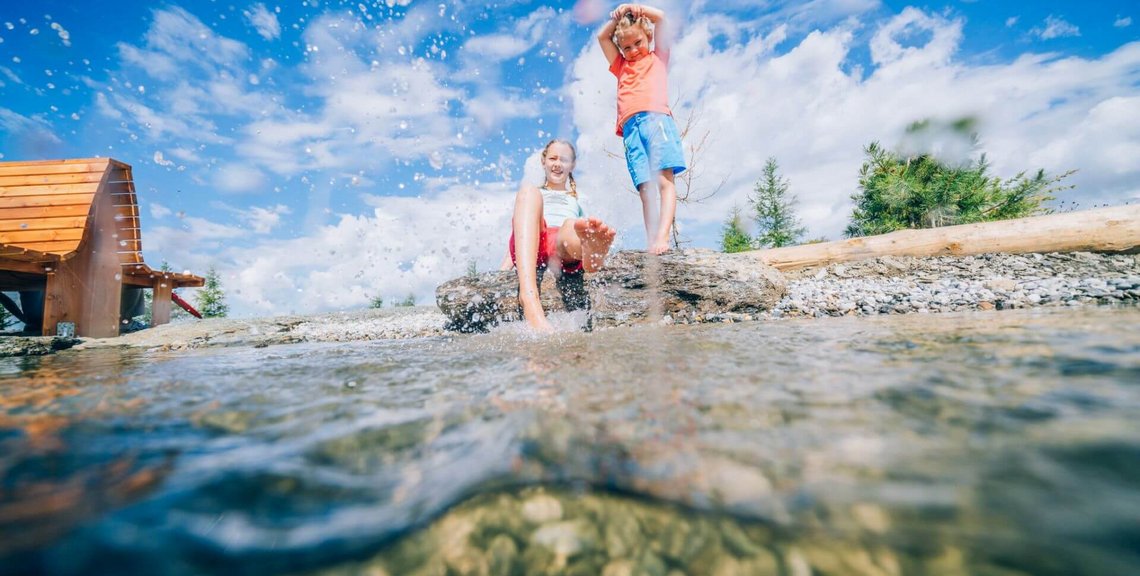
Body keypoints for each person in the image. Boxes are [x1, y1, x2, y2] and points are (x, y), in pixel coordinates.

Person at [500, 139, 616, 332]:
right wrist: (503, 270)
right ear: (543, 161)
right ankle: (529, 297)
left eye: (564, 159)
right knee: (528, 191)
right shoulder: (536, 193)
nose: (557, 163)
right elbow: (521, 233)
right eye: (553, 158)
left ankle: (590, 254)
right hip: (534, 240)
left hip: (562, 246)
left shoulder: (579, 199)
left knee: (571, 224)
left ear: (572, 165)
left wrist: (587, 237)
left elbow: (577, 226)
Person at [598, 3, 686, 255]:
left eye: (637, 43)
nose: (633, 50)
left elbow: (663, 18)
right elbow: (602, 37)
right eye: (626, 47)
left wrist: (635, 9)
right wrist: (616, 19)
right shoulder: (621, 66)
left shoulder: (658, 58)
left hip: (657, 121)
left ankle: (663, 236)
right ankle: (651, 240)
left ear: (647, 37)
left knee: (663, 180)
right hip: (630, 129)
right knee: (645, 187)